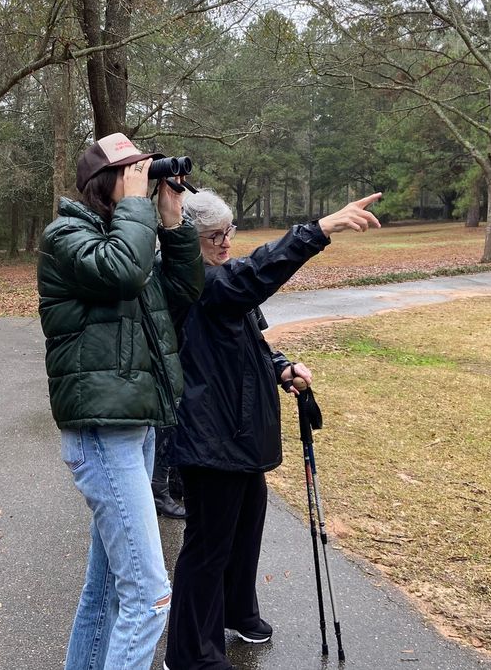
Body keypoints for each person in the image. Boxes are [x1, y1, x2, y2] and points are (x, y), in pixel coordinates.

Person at [164, 188, 382, 670]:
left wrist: (280, 367)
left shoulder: (223, 282)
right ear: (188, 241)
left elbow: (250, 343)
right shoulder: (193, 281)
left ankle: (237, 612)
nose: (225, 243)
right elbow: (251, 276)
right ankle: (190, 654)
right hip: (209, 434)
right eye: (212, 236)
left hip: (240, 430)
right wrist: (318, 230)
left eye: (229, 232)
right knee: (207, 546)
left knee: (245, 529)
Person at [37, 132, 204, 670]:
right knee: (151, 597)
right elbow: (123, 272)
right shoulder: (66, 235)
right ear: (103, 183)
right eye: (133, 172)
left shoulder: (123, 235)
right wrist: (137, 207)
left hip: (136, 426)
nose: (143, 180)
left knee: (108, 588)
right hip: (103, 433)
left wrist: (173, 221)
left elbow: (180, 295)